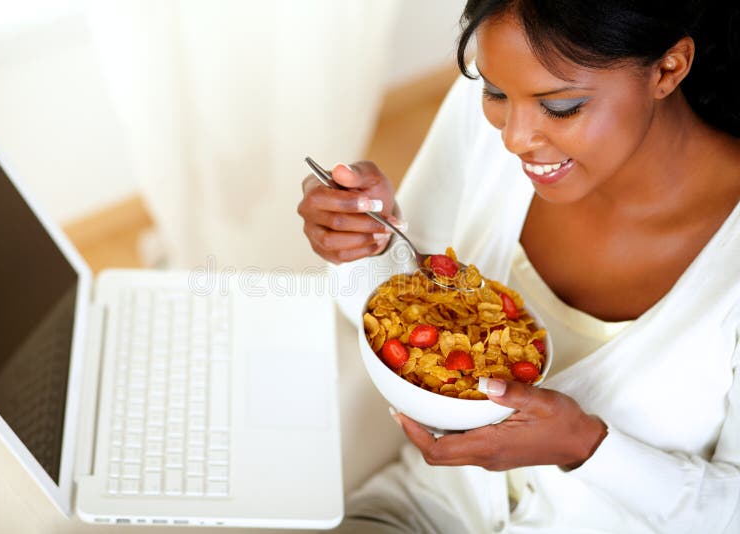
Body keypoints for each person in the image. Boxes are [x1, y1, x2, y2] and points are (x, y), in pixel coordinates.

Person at [297, 1, 740, 532]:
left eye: (562, 106)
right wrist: (360, 245)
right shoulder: (493, 115)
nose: (513, 138)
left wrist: (585, 446)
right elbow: (393, 317)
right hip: (421, 509)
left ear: (668, 68)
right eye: (495, 93)